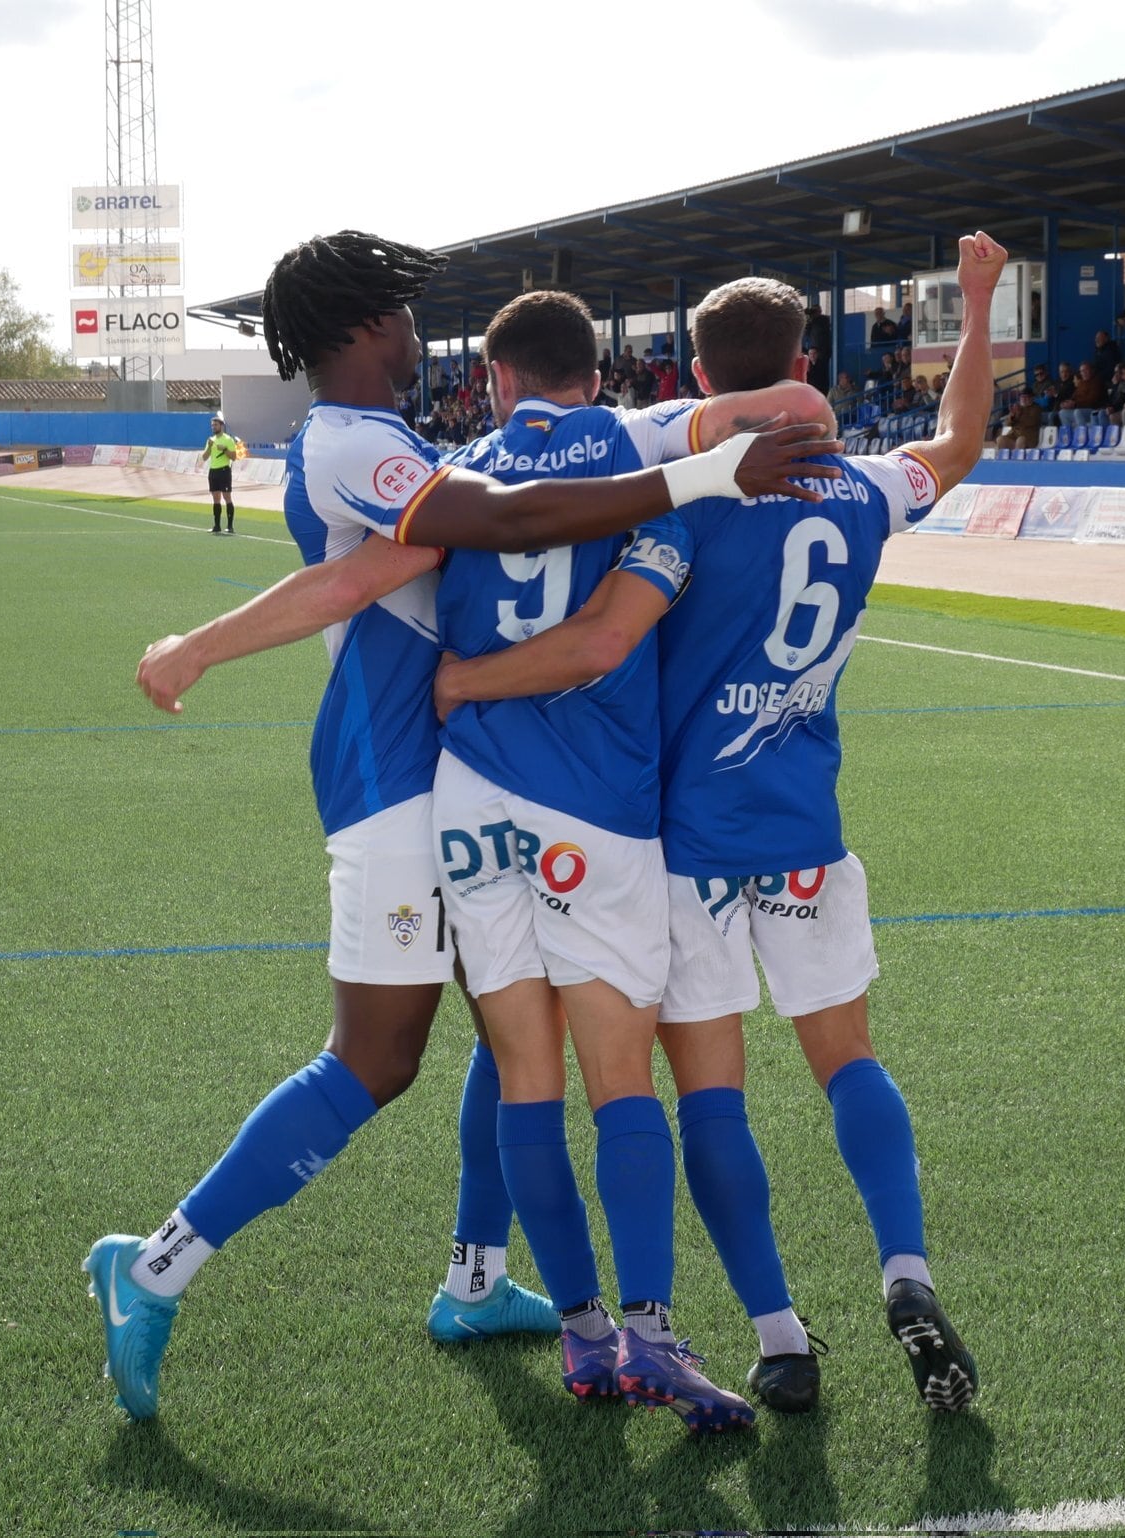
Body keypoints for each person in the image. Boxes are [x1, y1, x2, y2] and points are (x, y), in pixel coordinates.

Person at [85, 230, 840, 1422]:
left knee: (512, 1016)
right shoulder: (349, 440)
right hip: (392, 779)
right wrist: (700, 471)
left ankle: (476, 1276)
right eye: (395, 310)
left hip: (453, 774)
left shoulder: (394, 441)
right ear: (357, 326)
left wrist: (203, 644)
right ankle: (151, 1264)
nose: (411, 331)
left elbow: (361, 576)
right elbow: (490, 521)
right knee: (376, 1056)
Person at [436, 236, 1006, 1419]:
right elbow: (955, 443)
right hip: (801, 823)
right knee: (848, 1058)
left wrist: (455, 683)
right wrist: (982, 300)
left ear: (694, 378)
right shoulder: (860, 492)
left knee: (710, 1098)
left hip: (684, 842)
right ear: (802, 360)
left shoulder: (695, 503)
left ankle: (779, 1335)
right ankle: (904, 1267)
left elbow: (599, 636)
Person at [430, 289, 754, 1432]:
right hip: (596, 807)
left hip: (468, 795)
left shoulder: (456, 467)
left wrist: (461, 682)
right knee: (622, 1082)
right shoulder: (637, 444)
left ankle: (579, 1332)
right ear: (593, 371)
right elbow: (611, 634)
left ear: (499, 379)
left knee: (527, 1076)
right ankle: (652, 1335)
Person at [201, 414, 242, 533]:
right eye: (212, 425)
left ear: (221, 426)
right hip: (213, 471)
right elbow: (204, 457)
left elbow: (234, 457)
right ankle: (217, 526)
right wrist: (209, 447)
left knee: (227, 497)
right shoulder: (210, 440)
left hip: (224, 470)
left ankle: (230, 526)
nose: (213, 427)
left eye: (215, 425)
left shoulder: (228, 439)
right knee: (216, 498)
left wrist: (224, 449)